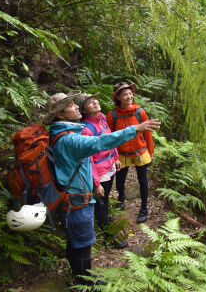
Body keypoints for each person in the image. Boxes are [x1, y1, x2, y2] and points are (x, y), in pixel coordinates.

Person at [42, 91, 160, 287]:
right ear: (60, 115)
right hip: (77, 201)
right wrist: (135, 129)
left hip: (70, 198)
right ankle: (85, 284)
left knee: (76, 243)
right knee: (83, 245)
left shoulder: (62, 133)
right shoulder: (68, 139)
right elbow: (99, 142)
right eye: (71, 105)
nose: (76, 107)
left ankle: (81, 279)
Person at [77, 93, 128, 250]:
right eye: (90, 102)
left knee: (104, 200)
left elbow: (110, 138)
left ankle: (106, 220)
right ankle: (108, 236)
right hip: (99, 172)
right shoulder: (86, 129)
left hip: (108, 165)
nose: (95, 103)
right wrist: (96, 183)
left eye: (95, 100)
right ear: (84, 110)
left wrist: (116, 157)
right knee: (100, 202)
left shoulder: (102, 118)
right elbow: (88, 159)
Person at [107, 82, 153, 223]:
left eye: (130, 93)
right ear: (118, 97)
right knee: (120, 181)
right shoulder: (112, 115)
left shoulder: (140, 112)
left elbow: (148, 134)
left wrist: (150, 152)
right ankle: (121, 198)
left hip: (140, 151)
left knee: (143, 181)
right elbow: (109, 137)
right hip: (121, 153)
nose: (129, 96)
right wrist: (113, 156)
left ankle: (143, 208)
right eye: (125, 94)